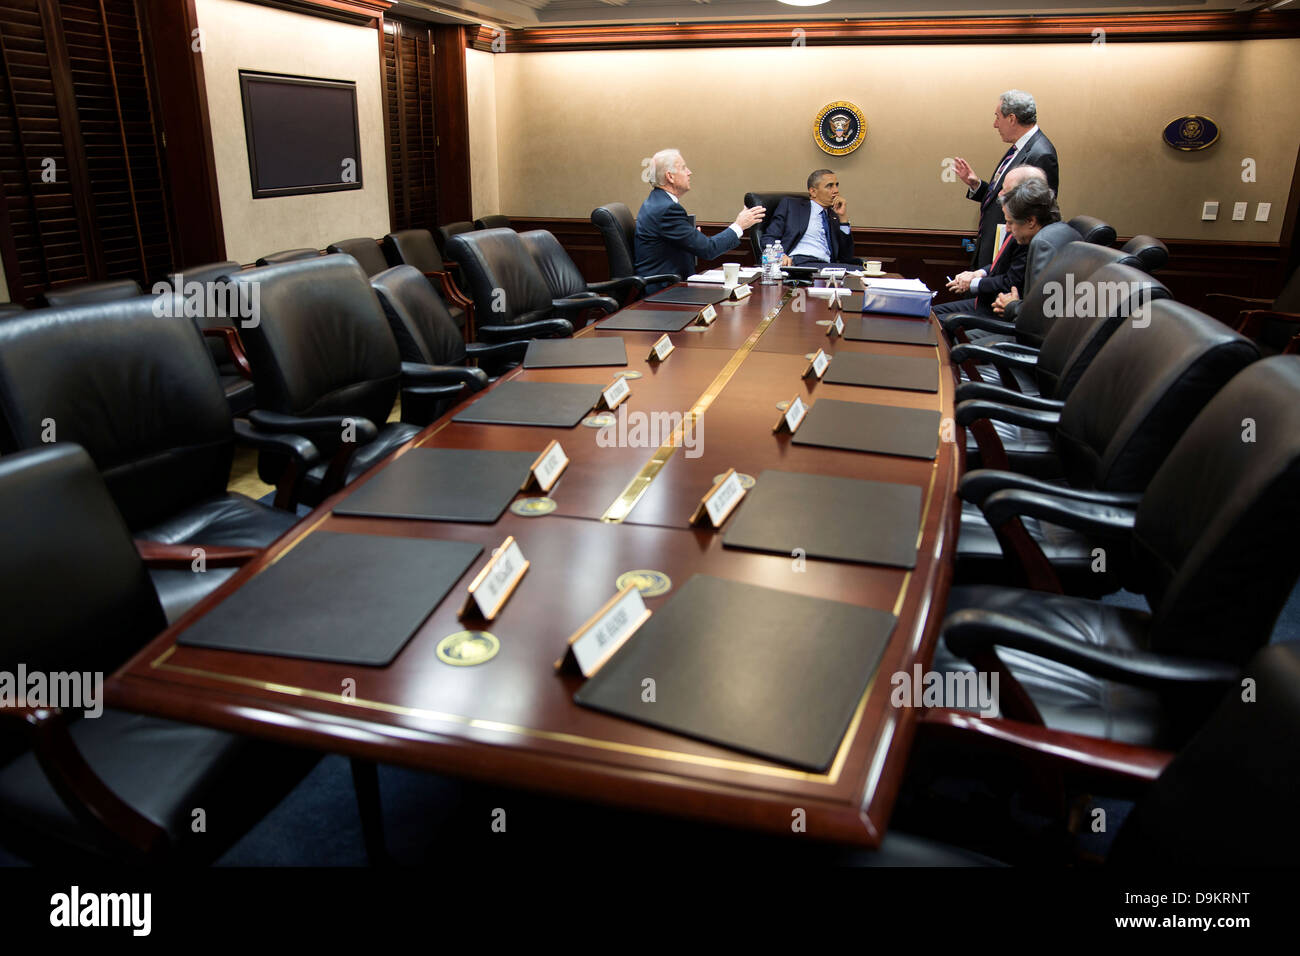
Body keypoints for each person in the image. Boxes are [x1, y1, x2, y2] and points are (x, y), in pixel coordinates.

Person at [952, 90, 1059, 268]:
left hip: (1010, 257)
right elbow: (1008, 197)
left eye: (997, 117)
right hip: (991, 246)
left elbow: (1037, 214)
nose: (995, 124)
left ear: (1011, 118)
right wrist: (975, 184)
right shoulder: (1018, 149)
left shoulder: (1041, 154)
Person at [634, 149, 764, 291]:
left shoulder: (657, 202)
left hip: (671, 285)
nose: (689, 172)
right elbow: (709, 250)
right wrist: (739, 225)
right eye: (683, 168)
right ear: (670, 177)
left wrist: (692, 239)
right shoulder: (666, 210)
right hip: (664, 291)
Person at [934, 177, 1059, 319]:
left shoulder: (1036, 243)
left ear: (1030, 221)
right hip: (989, 304)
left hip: (999, 313)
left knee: (938, 323)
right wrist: (979, 273)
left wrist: (1013, 306)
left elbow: (1012, 287)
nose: (1007, 228)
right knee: (933, 314)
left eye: (1009, 222)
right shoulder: (1027, 231)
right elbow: (1001, 264)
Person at [760, 169, 857, 268]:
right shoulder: (792, 206)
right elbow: (769, 237)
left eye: (837, 185)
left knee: (865, 271)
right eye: (829, 186)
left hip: (826, 267)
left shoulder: (834, 216)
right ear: (813, 191)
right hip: (799, 262)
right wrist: (780, 255)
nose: (836, 190)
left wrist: (843, 218)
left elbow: (846, 257)